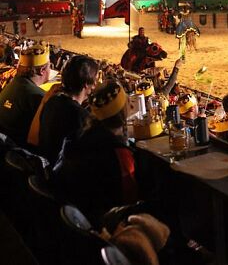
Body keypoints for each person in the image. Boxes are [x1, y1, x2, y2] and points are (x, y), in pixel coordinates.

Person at [51, 81, 139, 223]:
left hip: (70, 215)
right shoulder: (118, 153)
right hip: (100, 222)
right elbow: (130, 201)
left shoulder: (75, 137)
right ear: (123, 112)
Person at [29, 55, 98, 163]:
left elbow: (33, 140)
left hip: (44, 168)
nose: (95, 84)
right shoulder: (82, 117)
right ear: (86, 85)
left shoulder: (51, 102)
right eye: (95, 80)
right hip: (61, 175)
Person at [0, 43, 50, 144]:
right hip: (18, 154)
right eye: (50, 66)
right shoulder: (39, 98)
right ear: (42, 70)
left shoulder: (9, 86)